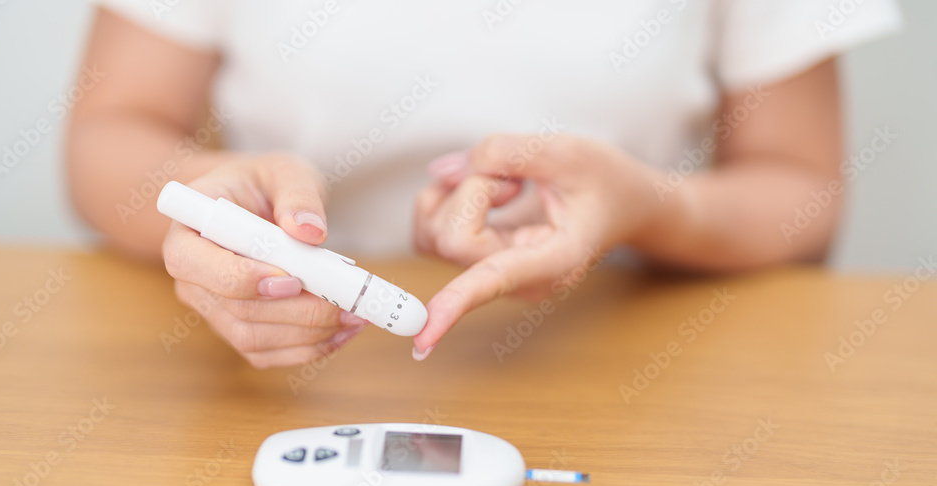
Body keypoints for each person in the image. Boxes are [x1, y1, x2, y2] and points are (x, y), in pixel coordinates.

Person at [66, 0, 902, 367]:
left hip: (625, 358)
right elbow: (111, 132)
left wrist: (650, 206)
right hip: (273, 379)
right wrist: (210, 193)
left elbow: (802, 189)